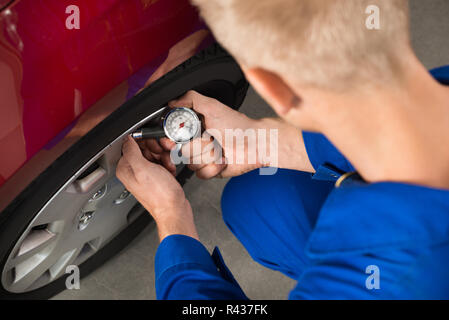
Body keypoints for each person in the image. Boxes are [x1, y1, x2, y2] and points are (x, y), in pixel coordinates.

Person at [116, 0, 449, 299]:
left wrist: (172, 217)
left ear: (268, 86)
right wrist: (267, 143)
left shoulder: (380, 283)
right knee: (263, 199)